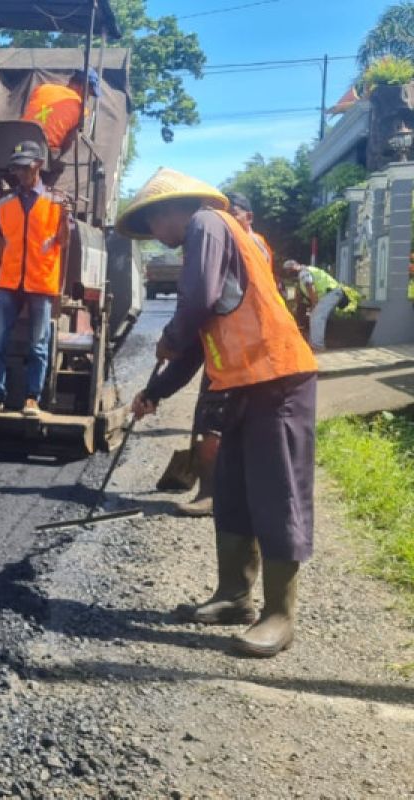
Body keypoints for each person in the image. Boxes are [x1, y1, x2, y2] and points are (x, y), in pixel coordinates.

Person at [118, 167, 319, 659]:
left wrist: (169, 337)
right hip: (240, 387)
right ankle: (233, 597)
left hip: (278, 380)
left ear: (170, 210)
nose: (155, 238)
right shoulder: (207, 238)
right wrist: (158, 391)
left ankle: (279, 616)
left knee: (275, 495)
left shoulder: (207, 225)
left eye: (152, 225)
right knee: (231, 492)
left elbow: (197, 303)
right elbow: (197, 340)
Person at [175, 192, 273, 518]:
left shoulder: (245, 244)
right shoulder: (240, 241)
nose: (226, 219)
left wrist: (175, 336)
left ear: (249, 217)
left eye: (234, 213)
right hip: (232, 346)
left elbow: (205, 295)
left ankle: (210, 494)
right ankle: (226, 489)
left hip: (240, 349)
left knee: (213, 420)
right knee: (216, 416)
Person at [0, 140, 71, 417]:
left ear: (38, 166)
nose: (18, 174)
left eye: (23, 168)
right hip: (8, 283)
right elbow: (0, 242)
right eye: (15, 169)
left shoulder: (56, 202)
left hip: (41, 283)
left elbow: (63, 243)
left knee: (38, 344)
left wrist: (66, 218)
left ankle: (32, 398)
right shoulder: (5, 203)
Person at [22, 68, 101, 158]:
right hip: (41, 151)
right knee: (57, 165)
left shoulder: (43, 88)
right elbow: (68, 141)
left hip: (18, 147)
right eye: (89, 94)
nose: (88, 98)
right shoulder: (82, 110)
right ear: (83, 88)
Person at [282, 259, 352, 351]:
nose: (288, 273)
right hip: (331, 293)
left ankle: (317, 346)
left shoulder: (303, 273)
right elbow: (302, 294)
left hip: (331, 293)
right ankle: (315, 344)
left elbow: (311, 288)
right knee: (315, 316)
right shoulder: (304, 273)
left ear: (293, 267)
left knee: (317, 316)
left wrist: (314, 305)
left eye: (288, 270)